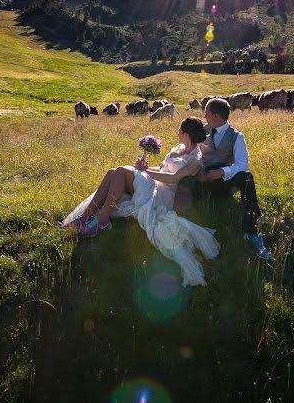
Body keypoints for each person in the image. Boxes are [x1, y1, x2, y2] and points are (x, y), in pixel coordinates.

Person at [61, 117, 220, 286]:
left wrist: (146, 172)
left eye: (179, 131)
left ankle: (102, 221)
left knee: (121, 171)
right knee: (112, 172)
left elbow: (173, 178)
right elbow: (161, 169)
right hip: (155, 182)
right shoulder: (178, 148)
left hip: (163, 194)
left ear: (186, 134)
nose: (177, 133)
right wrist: (144, 168)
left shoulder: (195, 159)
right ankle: (86, 217)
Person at [176, 98, 271, 259]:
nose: (204, 117)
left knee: (247, 177)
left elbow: (243, 164)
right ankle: (182, 230)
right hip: (200, 178)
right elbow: (186, 151)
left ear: (216, 116)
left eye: (206, 114)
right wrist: (197, 171)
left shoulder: (237, 137)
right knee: (183, 182)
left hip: (222, 182)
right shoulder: (201, 130)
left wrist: (222, 171)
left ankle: (252, 232)